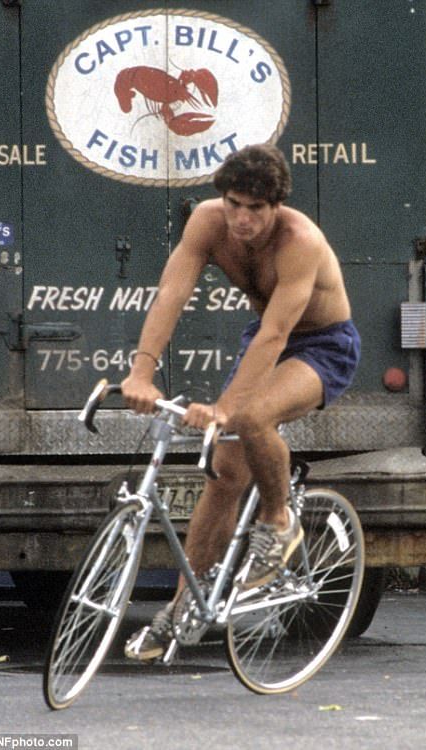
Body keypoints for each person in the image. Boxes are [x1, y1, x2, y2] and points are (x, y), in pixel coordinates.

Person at [121, 143, 360, 660]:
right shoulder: (207, 224)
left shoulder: (300, 241)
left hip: (322, 345)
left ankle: (278, 521)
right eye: (234, 204)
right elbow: (170, 294)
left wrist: (225, 407)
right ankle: (185, 607)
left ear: (276, 206)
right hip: (263, 342)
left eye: (256, 208)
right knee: (223, 474)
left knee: (251, 417)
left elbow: (277, 333)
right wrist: (142, 371)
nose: (243, 218)